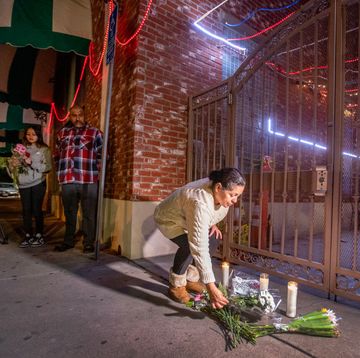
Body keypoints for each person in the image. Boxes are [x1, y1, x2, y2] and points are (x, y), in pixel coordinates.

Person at [154, 167, 246, 309]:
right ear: (218, 188)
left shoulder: (218, 187)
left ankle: (191, 279)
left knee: (214, 237)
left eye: (238, 196)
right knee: (190, 247)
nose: (235, 201)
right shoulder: (199, 202)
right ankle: (176, 285)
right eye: (232, 195)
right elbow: (199, 246)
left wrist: (212, 223)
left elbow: (211, 211)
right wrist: (210, 286)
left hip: (188, 216)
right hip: (169, 220)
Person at [53, 104, 103, 253]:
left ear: (84, 115)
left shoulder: (95, 133)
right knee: (69, 212)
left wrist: (97, 172)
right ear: (70, 117)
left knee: (89, 213)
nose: (77, 118)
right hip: (67, 179)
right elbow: (56, 155)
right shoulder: (61, 133)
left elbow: (102, 154)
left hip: (88, 178)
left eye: (80, 114)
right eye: (74, 115)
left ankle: (88, 242)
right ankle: (68, 241)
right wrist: (60, 172)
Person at [8, 126, 52, 248]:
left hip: (38, 183)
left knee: (37, 210)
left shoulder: (44, 149)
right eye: (28, 134)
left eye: (34, 134)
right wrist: (13, 164)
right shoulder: (19, 148)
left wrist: (32, 162)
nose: (31, 136)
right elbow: (11, 167)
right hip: (23, 184)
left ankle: (39, 235)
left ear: (38, 135)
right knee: (26, 211)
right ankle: (28, 235)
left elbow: (48, 168)